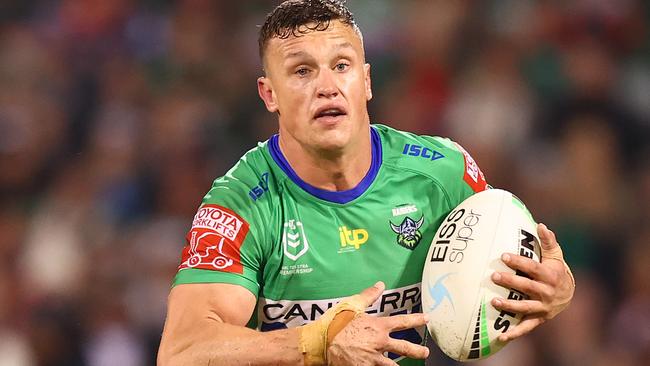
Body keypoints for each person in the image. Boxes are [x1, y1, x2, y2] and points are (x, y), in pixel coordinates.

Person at [157, 1, 575, 365]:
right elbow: (182, 351)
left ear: (367, 80)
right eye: (302, 71)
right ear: (270, 95)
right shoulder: (241, 205)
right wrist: (316, 343)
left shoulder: (440, 173)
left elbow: (505, 275)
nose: (327, 87)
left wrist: (555, 288)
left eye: (342, 66)